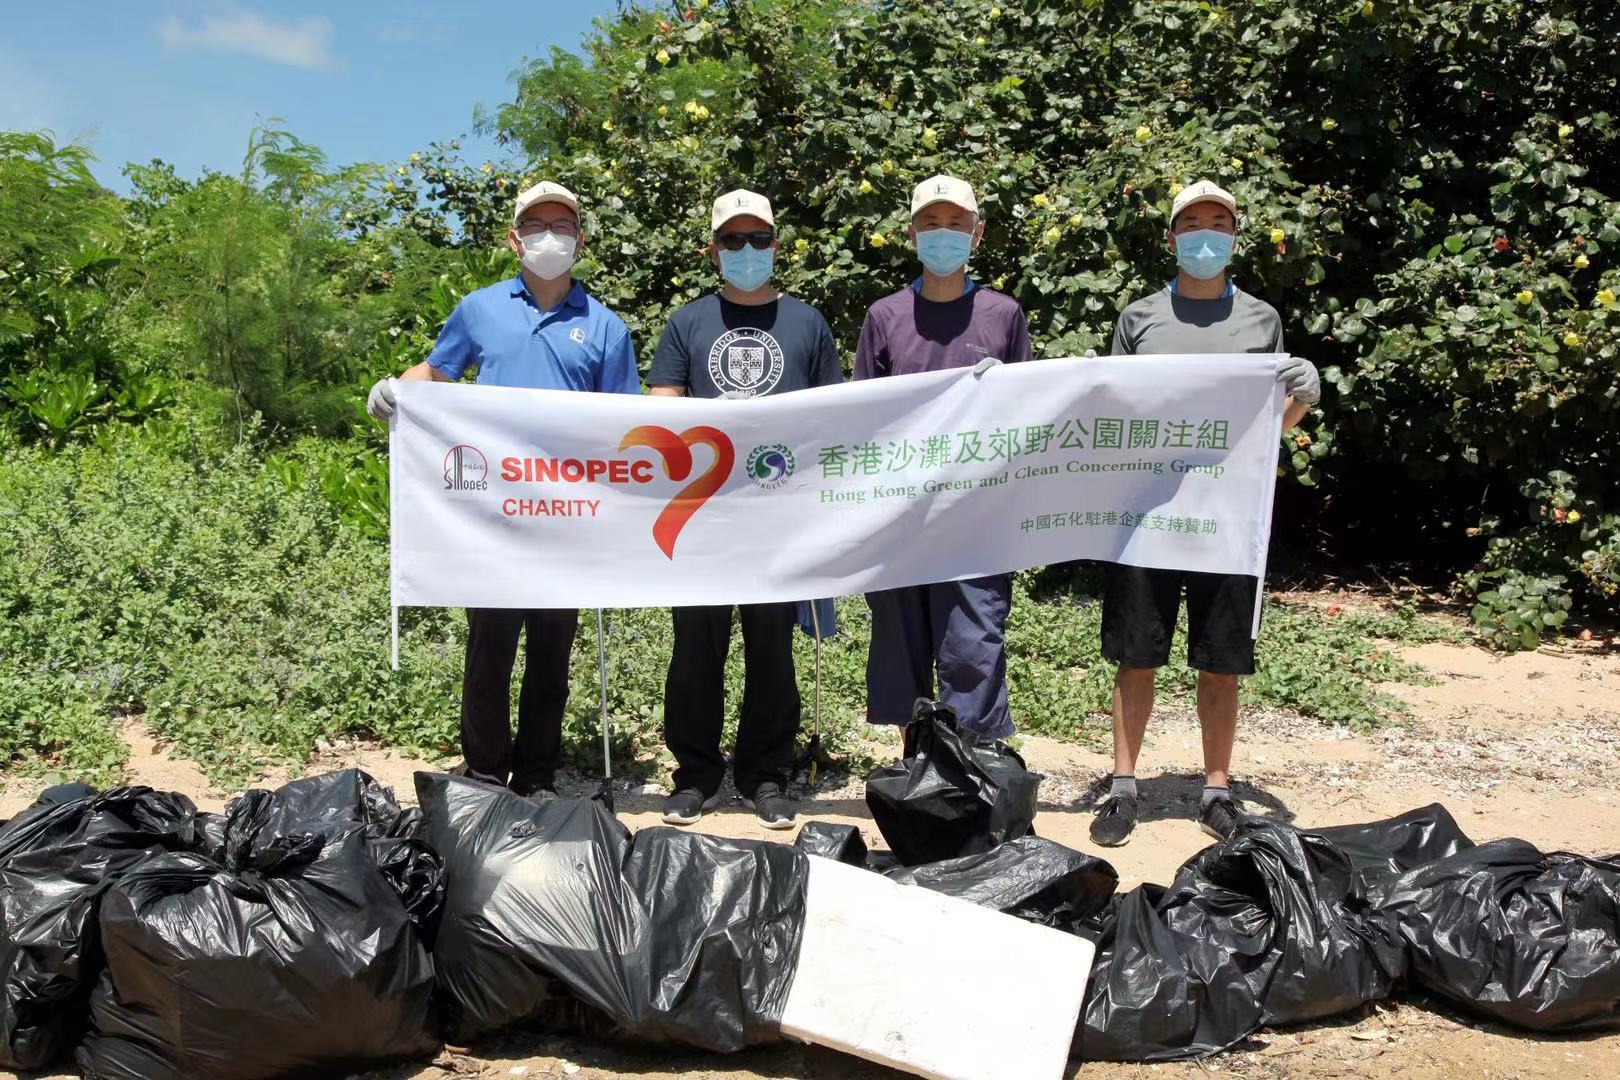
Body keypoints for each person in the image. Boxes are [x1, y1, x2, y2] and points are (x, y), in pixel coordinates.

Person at [366, 180, 639, 799]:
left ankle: (538, 775)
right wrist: (396, 391)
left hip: (568, 515)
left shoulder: (605, 327)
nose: (551, 237)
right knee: (489, 647)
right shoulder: (480, 307)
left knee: (551, 654)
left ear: (580, 240)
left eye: (563, 226)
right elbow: (437, 371)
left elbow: (625, 422)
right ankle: (486, 771)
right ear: (515, 239)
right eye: (537, 226)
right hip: (493, 510)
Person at [1089, 179, 1319, 846]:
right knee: (1136, 657)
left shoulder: (1261, 319)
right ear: (1171, 238)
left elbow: (1266, 426)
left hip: (1226, 518)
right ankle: (1123, 787)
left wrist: (1300, 399)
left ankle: (1216, 791)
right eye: (1193, 223)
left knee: (1221, 662)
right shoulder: (1138, 319)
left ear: (1235, 237)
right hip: (1147, 515)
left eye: (1219, 221)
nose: (1206, 235)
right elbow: (1112, 412)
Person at [647, 188, 843, 829]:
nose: (748, 251)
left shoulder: (808, 323)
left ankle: (766, 774)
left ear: (776, 246)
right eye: (734, 240)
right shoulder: (689, 322)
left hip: (780, 518)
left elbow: (835, 416)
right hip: (702, 516)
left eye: (759, 239)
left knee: (772, 649)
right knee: (696, 648)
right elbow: (662, 403)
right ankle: (695, 774)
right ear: (713, 250)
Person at [853, 175, 1034, 747]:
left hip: (977, 518)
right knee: (900, 647)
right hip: (899, 514)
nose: (943, 235)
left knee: (973, 644)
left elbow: (1028, 413)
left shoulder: (1003, 315)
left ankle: (972, 768)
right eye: (931, 224)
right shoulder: (884, 316)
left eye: (956, 224)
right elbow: (860, 417)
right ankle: (918, 766)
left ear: (977, 235)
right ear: (911, 234)